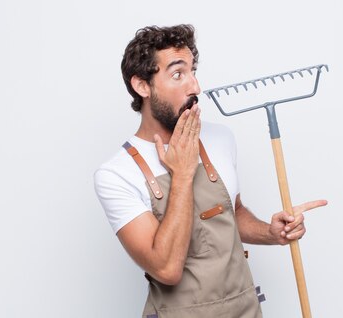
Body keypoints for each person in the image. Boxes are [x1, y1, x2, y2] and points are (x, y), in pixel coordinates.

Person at [94, 24, 327, 318]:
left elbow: (233, 212)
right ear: (142, 86)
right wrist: (182, 174)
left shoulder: (220, 138)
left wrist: (270, 232)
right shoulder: (116, 174)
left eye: (193, 71)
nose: (195, 87)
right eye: (178, 74)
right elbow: (166, 268)